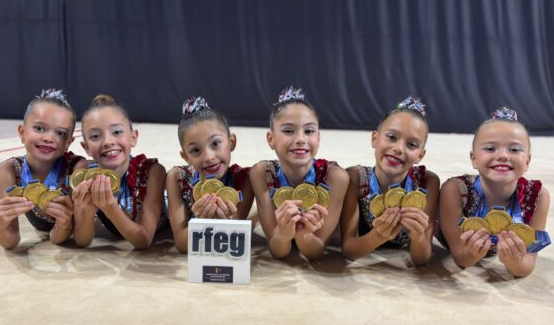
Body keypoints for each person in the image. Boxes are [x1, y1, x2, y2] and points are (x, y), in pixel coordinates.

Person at [438, 107, 550, 277]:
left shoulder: (538, 197)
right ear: (473, 158)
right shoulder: (455, 190)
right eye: (490, 148)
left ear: (527, 161)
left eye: (514, 149)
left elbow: (528, 264)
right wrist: (471, 254)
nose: (503, 156)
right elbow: (461, 258)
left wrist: (515, 262)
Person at [249, 86, 348, 261]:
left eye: (309, 131)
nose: (301, 139)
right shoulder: (261, 173)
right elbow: (278, 251)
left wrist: (304, 234)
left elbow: (315, 252)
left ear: (318, 137)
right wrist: (282, 234)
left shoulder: (336, 177)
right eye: (288, 131)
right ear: (271, 139)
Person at [340, 97, 439, 265]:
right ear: (375, 139)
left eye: (412, 144)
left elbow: (421, 259)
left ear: (420, 155)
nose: (399, 148)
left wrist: (419, 236)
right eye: (392, 137)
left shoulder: (427, 182)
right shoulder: (355, 177)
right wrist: (378, 236)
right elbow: (349, 250)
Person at [0, 89, 84, 249]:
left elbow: (62, 237)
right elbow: (11, 240)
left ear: (69, 141)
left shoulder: (77, 168)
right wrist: (0, 226)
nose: (48, 138)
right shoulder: (8, 170)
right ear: (22, 132)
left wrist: (64, 224)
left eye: (60, 133)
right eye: (39, 128)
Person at [72, 94, 165, 249]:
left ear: (133, 137)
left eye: (117, 132)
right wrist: (87, 214)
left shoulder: (152, 172)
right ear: (86, 147)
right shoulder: (83, 173)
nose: (108, 141)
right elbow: (82, 241)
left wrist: (110, 208)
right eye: (95, 136)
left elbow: (143, 241)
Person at [166, 97, 255, 253]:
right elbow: (181, 244)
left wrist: (209, 224)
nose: (208, 157)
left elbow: (231, 238)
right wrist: (201, 222)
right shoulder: (176, 178)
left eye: (215, 144)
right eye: (195, 150)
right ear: (185, 156)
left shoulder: (245, 180)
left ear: (232, 142)